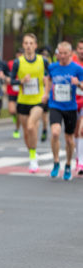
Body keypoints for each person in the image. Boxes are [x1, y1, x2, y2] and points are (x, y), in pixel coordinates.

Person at [10, 33, 49, 173]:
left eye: (31, 43)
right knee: (26, 132)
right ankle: (32, 153)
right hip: (23, 101)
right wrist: (20, 81)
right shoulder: (18, 62)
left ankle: (33, 159)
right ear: (23, 45)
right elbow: (11, 80)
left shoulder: (42, 61)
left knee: (32, 126)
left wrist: (47, 92)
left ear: (35, 46)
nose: (28, 46)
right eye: (26, 43)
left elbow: (50, 76)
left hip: (38, 100)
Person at [45, 41, 83, 180]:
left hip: (71, 107)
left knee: (69, 139)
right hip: (55, 105)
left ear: (70, 54)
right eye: (60, 53)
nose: (62, 56)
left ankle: (67, 164)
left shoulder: (77, 69)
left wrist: (77, 83)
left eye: (65, 53)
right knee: (55, 133)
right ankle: (56, 162)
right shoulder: (52, 67)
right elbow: (48, 79)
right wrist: (45, 93)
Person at [71, 39, 83, 175]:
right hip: (73, 101)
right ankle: (77, 156)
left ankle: (81, 162)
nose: (82, 51)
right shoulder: (72, 62)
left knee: (82, 131)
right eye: (80, 48)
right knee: (74, 132)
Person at [7, 48, 24, 139]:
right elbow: (7, 75)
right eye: (18, 54)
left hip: (22, 91)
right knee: (12, 110)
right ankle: (15, 117)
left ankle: (17, 129)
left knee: (19, 113)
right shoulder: (10, 63)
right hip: (12, 90)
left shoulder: (25, 64)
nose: (19, 56)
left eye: (21, 54)